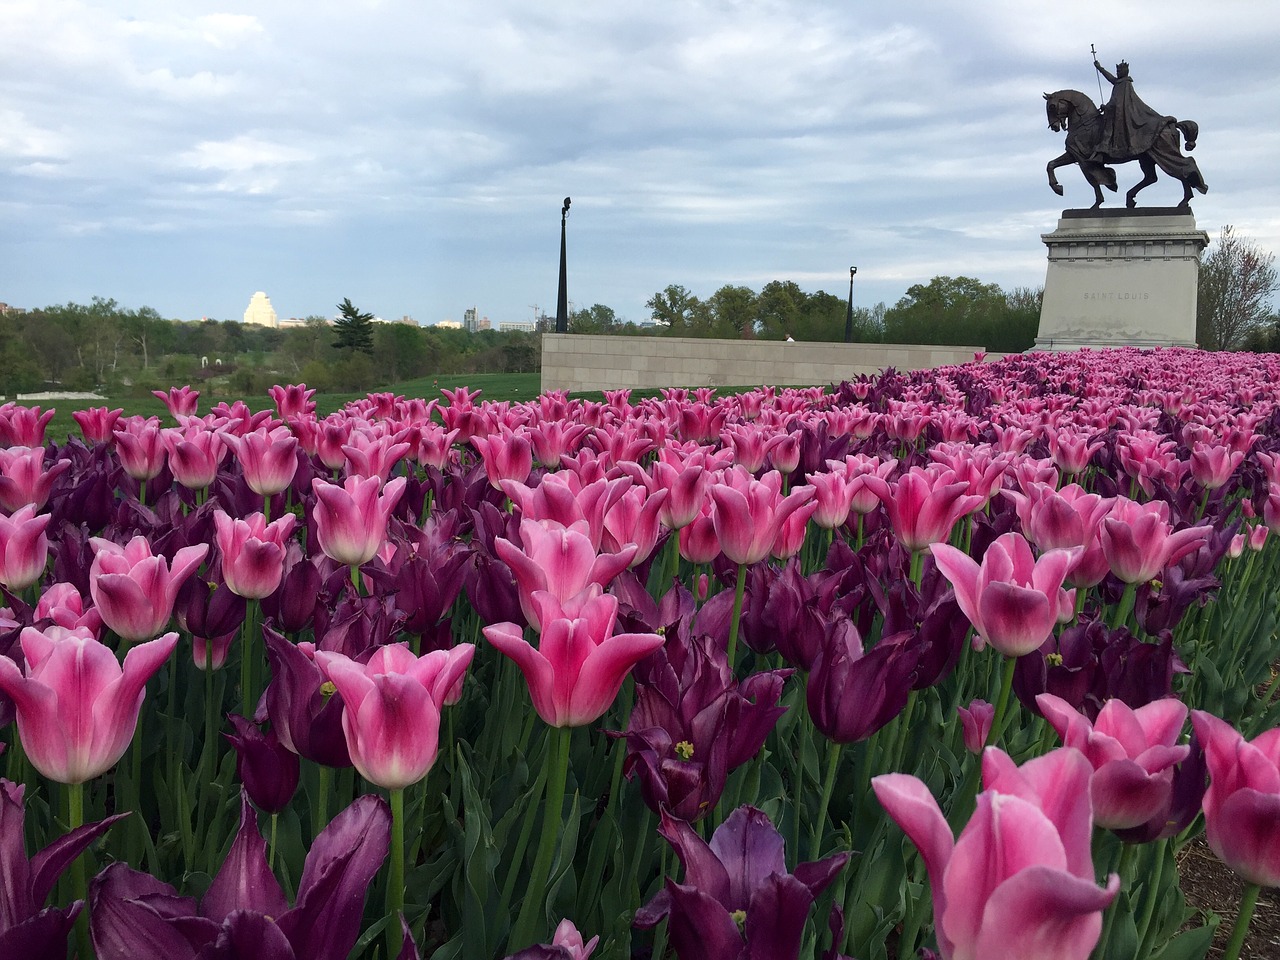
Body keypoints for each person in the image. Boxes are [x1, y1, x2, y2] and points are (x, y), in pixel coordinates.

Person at [1091, 59, 1166, 162]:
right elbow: (1111, 79)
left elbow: (1116, 101)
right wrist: (1100, 68)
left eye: (1119, 71)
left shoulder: (1124, 84)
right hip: (1118, 112)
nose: (1117, 73)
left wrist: (1106, 107)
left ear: (1124, 72)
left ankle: (1102, 151)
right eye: (1117, 71)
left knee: (1107, 129)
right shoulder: (1120, 82)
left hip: (1120, 115)